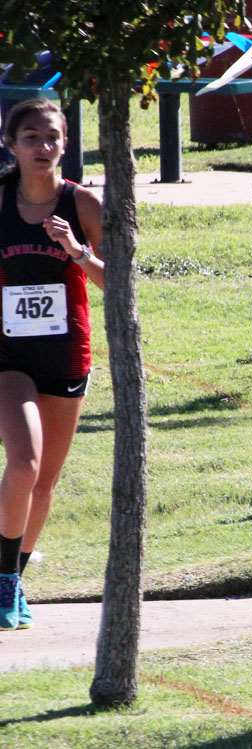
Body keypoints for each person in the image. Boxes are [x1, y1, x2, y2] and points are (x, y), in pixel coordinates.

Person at [0, 98, 104, 630]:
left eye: (53, 138)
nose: (43, 147)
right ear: (10, 144)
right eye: (31, 138)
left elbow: (122, 282)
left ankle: (11, 578)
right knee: (24, 462)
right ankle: (2, 583)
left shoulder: (82, 205)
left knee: (44, 485)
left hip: (66, 356)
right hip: (7, 357)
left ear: (66, 144)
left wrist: (77, 252)